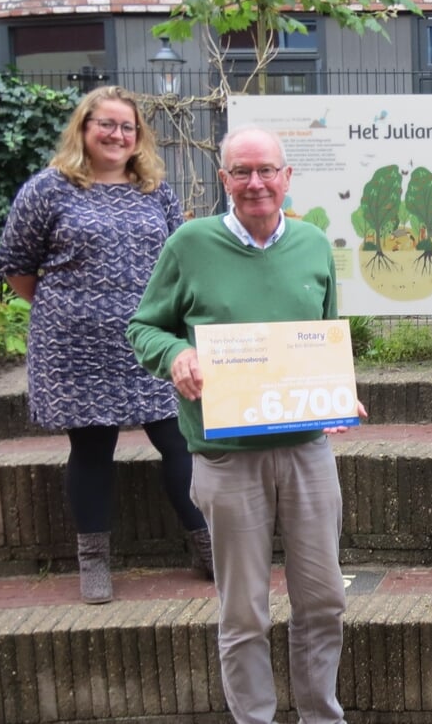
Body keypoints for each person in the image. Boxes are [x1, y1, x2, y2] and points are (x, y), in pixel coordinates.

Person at [127, 126, 364, 724]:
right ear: (224, 179)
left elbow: (324, 331)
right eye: (240, 171)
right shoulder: (189, 244)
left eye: (265, 170)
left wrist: (335, 394)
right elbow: (144, 327)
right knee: (243, 612)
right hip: (225, 456)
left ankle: (320, 716)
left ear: (287, 177)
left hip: (307, 450)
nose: (254, 183)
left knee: (324, 601)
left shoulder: (312, 243)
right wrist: (174, 356)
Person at [0, 85, 210, 605]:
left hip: (152, 342)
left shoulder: (155, 190)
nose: (117, 135)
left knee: (178, 440)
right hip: (75, 346)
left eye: (127, 127)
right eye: (106, 124)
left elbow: (175, 263)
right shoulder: (48, 189)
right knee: (91, 449)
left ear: (139, 138)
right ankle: (93, 562)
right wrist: (71, 308)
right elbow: (18, 266)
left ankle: (207, 545)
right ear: (83, 129)